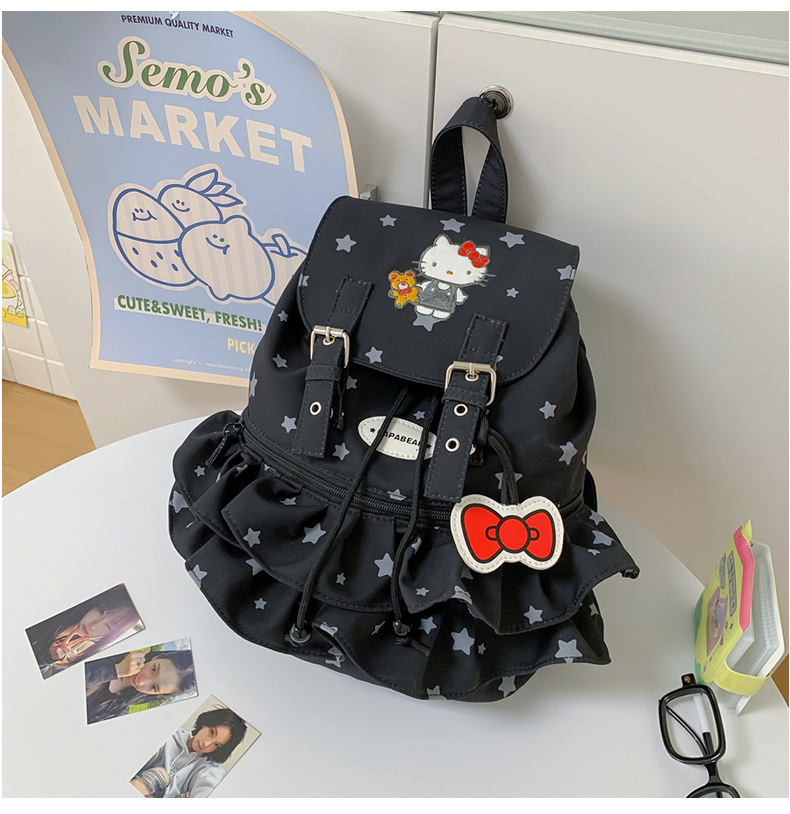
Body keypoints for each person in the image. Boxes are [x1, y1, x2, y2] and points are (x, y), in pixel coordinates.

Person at [130, 707, 248, 798]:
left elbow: (207, 791)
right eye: (212, 732)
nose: (206, 744)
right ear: (205, 723)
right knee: (159, 775)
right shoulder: (170, 736)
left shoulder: (209, 769)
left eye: (216, 745)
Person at [31, 585, 142, 675]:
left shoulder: (83, 654)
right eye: (101, 611)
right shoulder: (61, 611)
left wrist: (49, 658)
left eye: (109, 626)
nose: (93, 625)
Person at [86, 649, 196, 724]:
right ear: (156, 657)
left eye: (154, 687)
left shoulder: (117, 712)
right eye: (153, 669)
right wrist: (115, 670)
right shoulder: (113, 651)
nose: (142, 681)